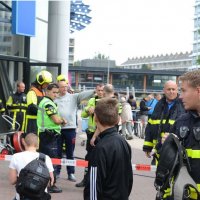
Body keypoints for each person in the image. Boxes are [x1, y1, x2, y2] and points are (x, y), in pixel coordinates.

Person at [159, 70, 200, 199]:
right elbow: (170, 167)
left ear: (198, 91)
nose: (180, 96)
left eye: (183, 90)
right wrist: (168, 147)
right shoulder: (181, 122)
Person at [84, 97, 133, 200]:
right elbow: (129, 178)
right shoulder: (123, 142)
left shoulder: (100, 148)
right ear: (117, 119)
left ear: (95, 118)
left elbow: (93, 185)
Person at [55, 78, 95, 182]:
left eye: (66, 86)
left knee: (70, 152)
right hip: (58, 129)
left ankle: (71, 173)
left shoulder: (73, 97)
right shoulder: (54, 99)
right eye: (62, 86)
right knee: (57, 152)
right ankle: (57, 171)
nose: (65, 88)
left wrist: (94, 91)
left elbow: (82, 95)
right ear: (58, 88)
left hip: (70, 129)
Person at [143, 80, 185, 167]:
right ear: (164, 90)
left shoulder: (183, 105)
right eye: (169, 89)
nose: (171, 91)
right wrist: (148, 146)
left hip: (176, 150)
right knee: (161, 177)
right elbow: (151, 125)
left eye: (173, 89)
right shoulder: (159, 105)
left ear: (177, 90)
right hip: (159, 151)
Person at [37, 83, 66, 193]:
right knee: (51, 161)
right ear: (47, 91)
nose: (56, 94)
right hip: (49, 136)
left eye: (57, 92)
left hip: (45, 135)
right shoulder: (48, 104)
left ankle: (41, 184)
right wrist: (63, 121)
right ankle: (51, 185)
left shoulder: (45, 102)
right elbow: (56, 120)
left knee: (44, 160)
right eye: (54, 92)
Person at [9, 133, 54, 200]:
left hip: (22, 196)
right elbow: (50, 182)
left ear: (23, 142)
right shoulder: (46, 158)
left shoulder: (16, 157)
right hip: (39, 196)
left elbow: (12, 181)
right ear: (37, 144)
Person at [75, 83, 104, 187]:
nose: (100, 92)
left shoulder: (107, 101)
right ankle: (86, 180)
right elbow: (83, 114)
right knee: (89, 157)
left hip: (103, 134)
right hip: (91, 133)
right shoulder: (92, 100)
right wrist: (87, 110)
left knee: (101, 158)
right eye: (98, 90)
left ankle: (98, 182)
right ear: (96, 91)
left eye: (102, 90)